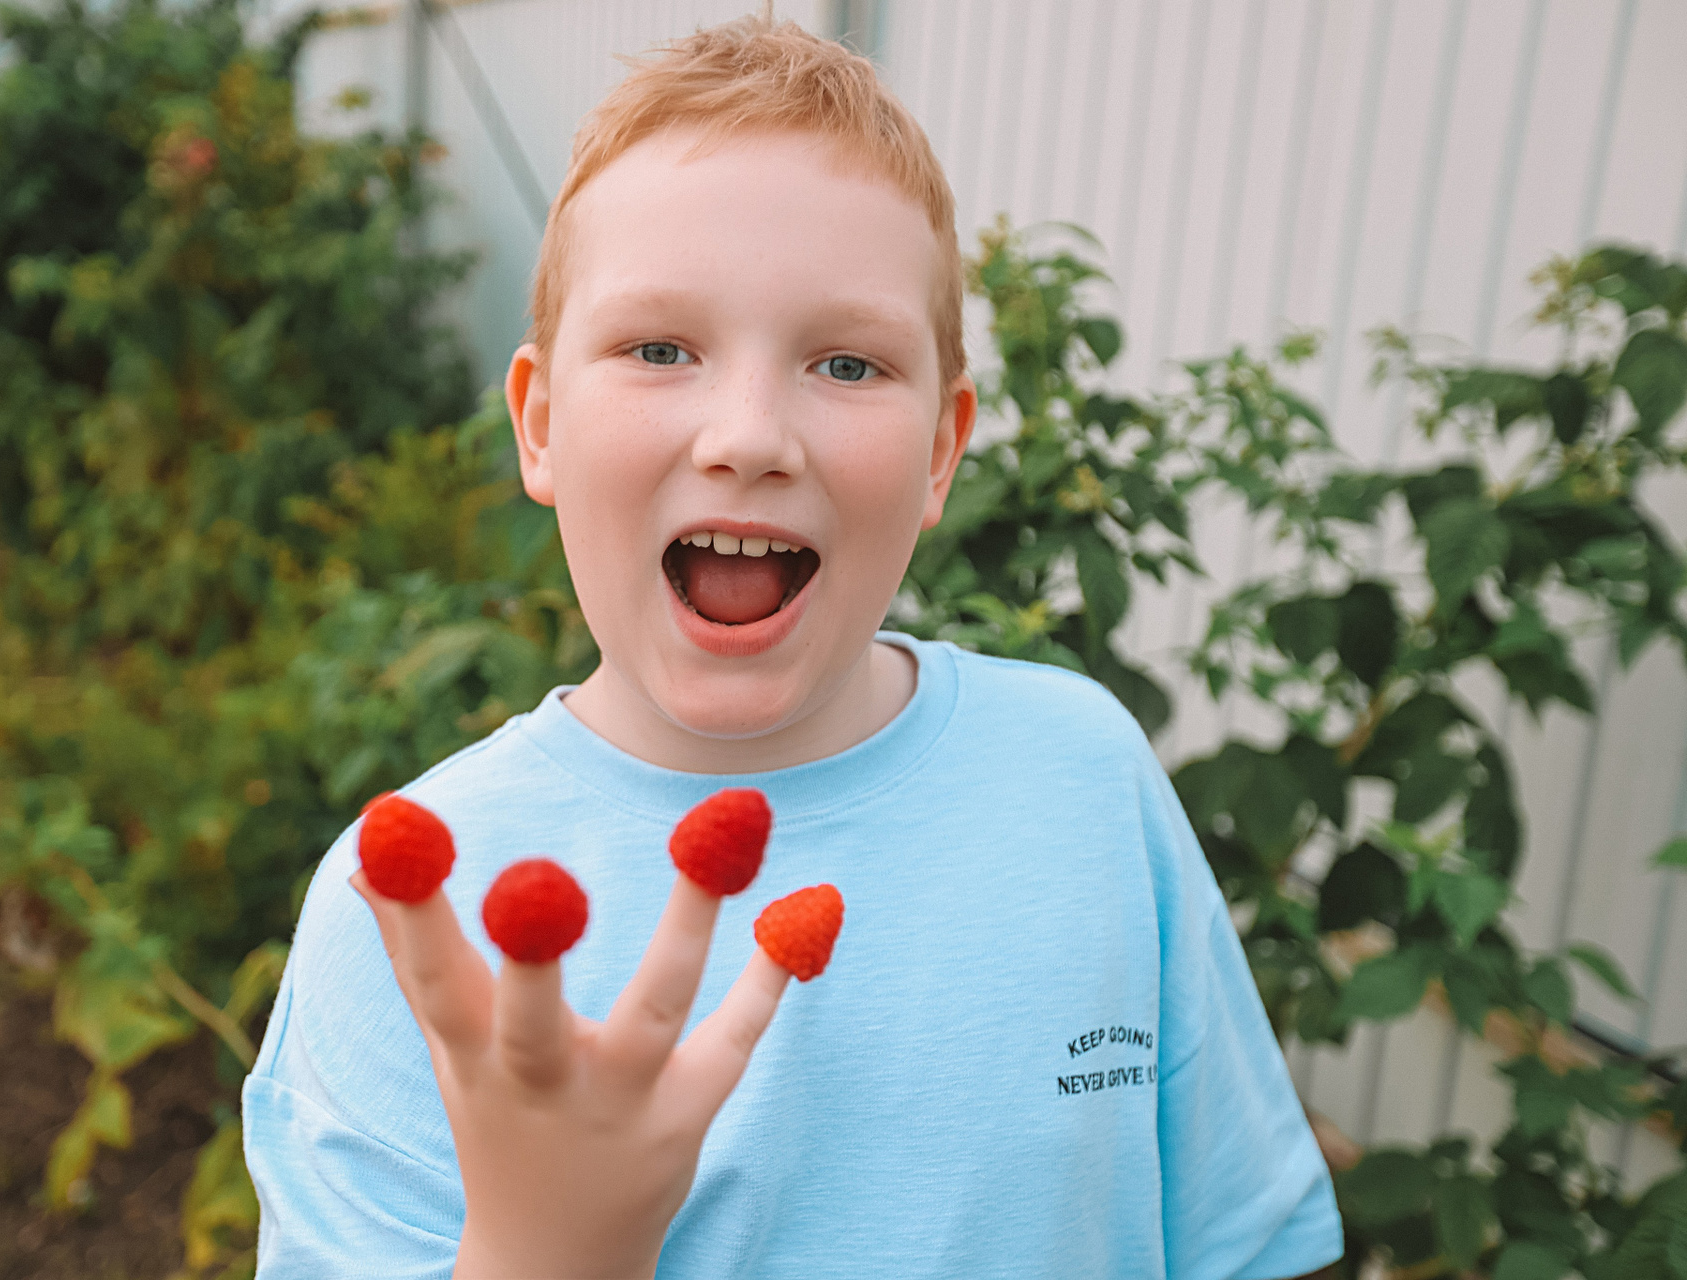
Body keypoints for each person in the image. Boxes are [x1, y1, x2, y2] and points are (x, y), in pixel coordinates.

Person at [242, 15, 1343, 1279]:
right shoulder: (407, 906)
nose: (750, 435)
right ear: (540, 423)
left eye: (848, 362)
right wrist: (543, 1252)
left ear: (942, 450)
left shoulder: (1083, 776)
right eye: (661, 349)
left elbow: (1244, 1247)